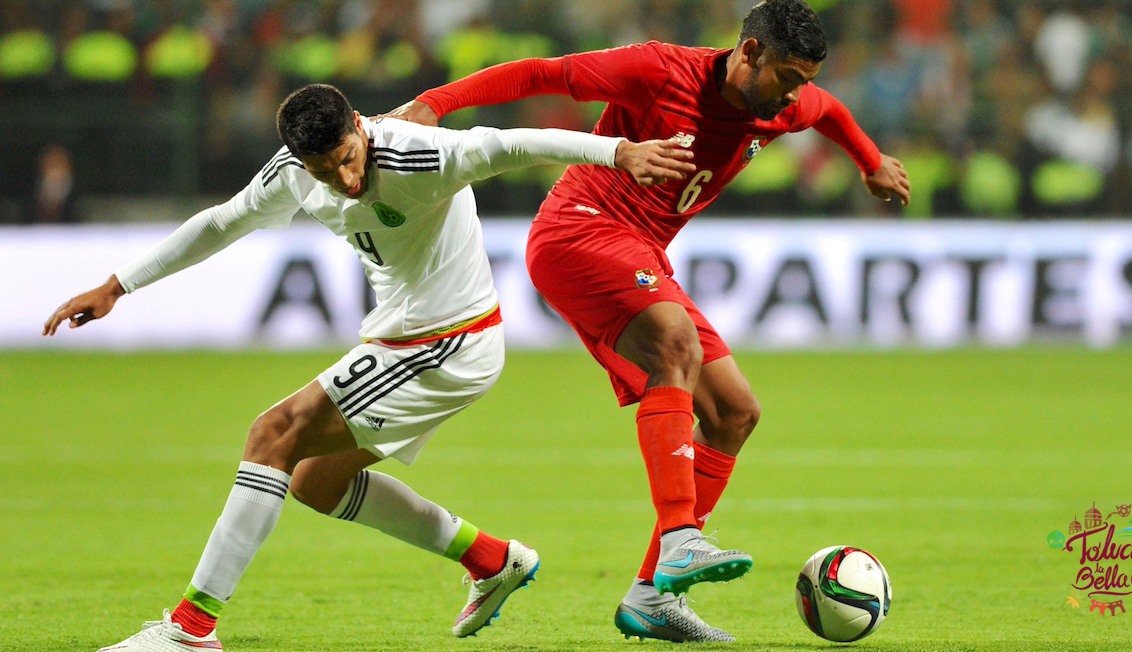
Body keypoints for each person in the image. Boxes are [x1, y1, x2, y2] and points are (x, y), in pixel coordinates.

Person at [43, 83, 695, 652]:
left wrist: (620, 153)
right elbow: (222, 222)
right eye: (326, 172)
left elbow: (513, 143)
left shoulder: (416, 153)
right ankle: (491, 560)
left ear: (360, 128)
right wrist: (118, 285)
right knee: (312, 483)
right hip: (409, 337)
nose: (346, 181)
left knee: (272, 434)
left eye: (350, 161)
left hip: (446, 342)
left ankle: (190, 628)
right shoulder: (295, 173)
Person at [390, 0, 911, 642]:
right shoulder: (659, 71)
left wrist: (869, 162)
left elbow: (829, 110)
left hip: (642, 253)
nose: (794, 96)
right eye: (786, 76)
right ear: (747, 52)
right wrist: (434, 104)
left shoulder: (782, 104)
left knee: (733, 412)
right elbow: (542, 74)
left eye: (803, 79)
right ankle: (681, 536)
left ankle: (650, 597)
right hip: (579, 228)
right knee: (675, 342)